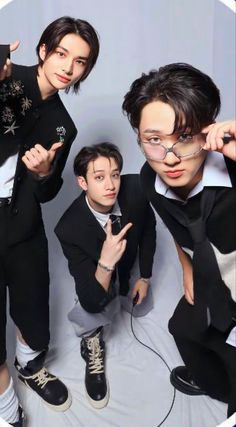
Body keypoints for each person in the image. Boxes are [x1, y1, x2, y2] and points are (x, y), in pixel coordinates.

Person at [0, 16, 99, 426]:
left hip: (22, 226)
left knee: (35, 312)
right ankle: (7, 412)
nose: (68, 67)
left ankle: (28, 363)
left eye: (80, 61)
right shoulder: (6, 78)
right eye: (61, 53)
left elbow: (49, 191)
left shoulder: (64, 124)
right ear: (43, 50)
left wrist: (43, 174)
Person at [122, 63, 236, 418]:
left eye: (184, 136)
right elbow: (176, 225)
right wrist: (186, 266)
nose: (169, 158)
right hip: (211, 279)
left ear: (207, 130)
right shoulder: (148, 178)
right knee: (182, 329)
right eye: (154, 140)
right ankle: (214, 383)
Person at [55, 142, 156, 409]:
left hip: (128, 267)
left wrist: (144, 277)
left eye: (114, 174)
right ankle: (91, 342)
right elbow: (90, 298)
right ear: (82, 182)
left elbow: (148, 230)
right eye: (99, 177)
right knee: (92, 312)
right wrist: (105, 263)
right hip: (98, 276)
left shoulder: (136, 189)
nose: (111, 185)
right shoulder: (68, 228)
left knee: (142, 309)